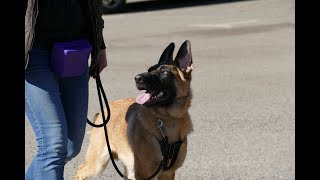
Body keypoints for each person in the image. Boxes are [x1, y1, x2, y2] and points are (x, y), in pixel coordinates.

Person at [25, 0, 108, 179]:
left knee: (70, 146)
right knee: (53, 144)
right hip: (32, 53)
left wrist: (99, 45)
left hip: (75, 49)